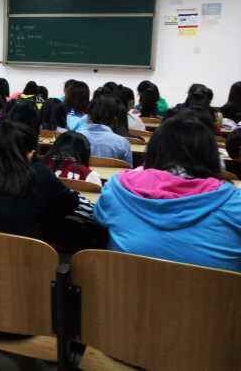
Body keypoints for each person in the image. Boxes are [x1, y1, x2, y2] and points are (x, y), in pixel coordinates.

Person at [95, 112, 241, 272]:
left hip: (122, 286)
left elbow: (100, 220)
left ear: (153, 151)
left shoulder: (116, 188)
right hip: (209, 289)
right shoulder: (234, 204)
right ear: (211, 156)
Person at [79, 95, 133, 166]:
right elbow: (128, 168)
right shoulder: (122, 143)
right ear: (115, 119)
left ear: (89, 115)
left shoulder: (75, 138)